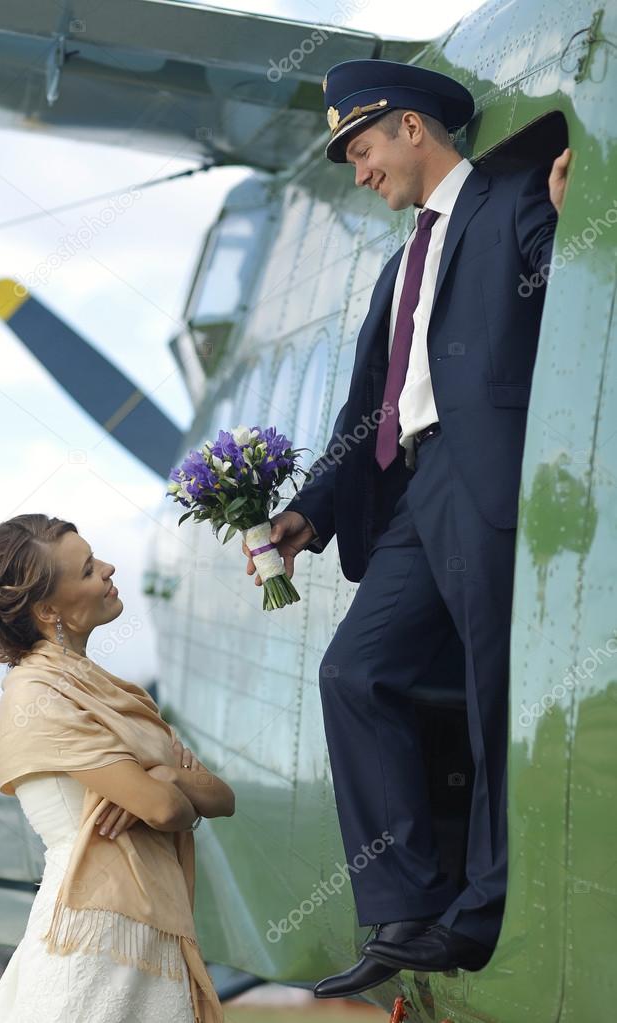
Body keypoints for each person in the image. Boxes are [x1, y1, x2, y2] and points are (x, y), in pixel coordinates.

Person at [242, 58, 570, 996]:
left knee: (490, 687)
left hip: (487, 485)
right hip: (411, 496)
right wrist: (307, 511)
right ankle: (405, 904)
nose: (358, 168)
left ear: (414, 129)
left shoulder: (513, 204)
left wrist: (571, 217)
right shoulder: (398, 269)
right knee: (353, 669)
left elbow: (567, 305)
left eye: (363, 146)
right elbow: (366, 411)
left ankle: (478, 910)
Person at [0, 513, 234, 1022]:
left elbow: (220, 798)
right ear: (50, 610)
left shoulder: (118, 692)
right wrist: (165, 785)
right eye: (89, 569)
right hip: (96, 938)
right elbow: (166, 811)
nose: (110, 569)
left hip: (144, 932)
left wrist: (170, 774)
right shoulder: (36, 694)